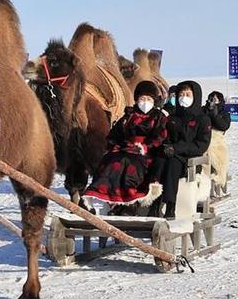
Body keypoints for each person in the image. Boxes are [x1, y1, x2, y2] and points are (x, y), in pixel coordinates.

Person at [83, 81, 168, 207]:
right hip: (125, 148)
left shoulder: (158, 117)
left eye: (149, 99)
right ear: (136, 99)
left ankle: (130, 201)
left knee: (131, 165)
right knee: (111, 162)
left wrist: (145, 146)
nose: (145, 102)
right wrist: (116, 145)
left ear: (154, 100)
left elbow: (160, 136)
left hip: (146, 151)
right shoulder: (129, 116)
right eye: (142, 98)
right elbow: (115, 134)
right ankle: (108, 199)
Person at [151, 80, 212, 219]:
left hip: (189, 160)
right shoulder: (172, 118)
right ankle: (154, 203)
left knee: (173, 164)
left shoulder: (203, 119)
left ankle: (170, 206)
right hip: (170, 154)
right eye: (181, 94)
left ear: (195, 96)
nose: (184, 97)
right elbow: (165, 136)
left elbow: (201, 145)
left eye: (187, 94)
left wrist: (177, 148)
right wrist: (165, 146)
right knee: (159, 162)